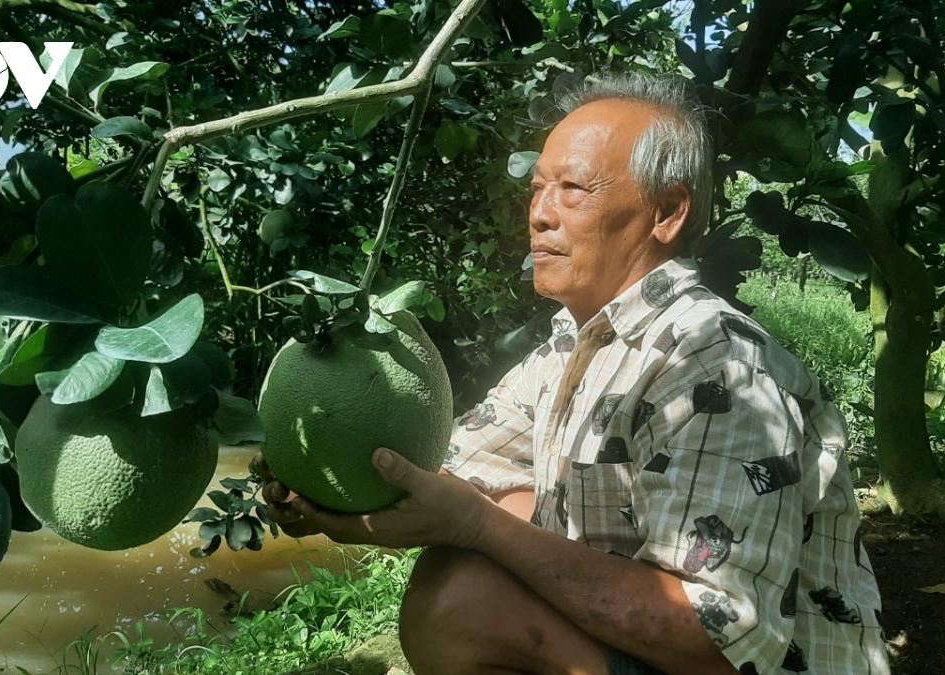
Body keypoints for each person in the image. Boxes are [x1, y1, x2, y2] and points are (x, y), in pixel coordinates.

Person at [253, 71, 889, 675]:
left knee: (459, 598)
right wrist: (325, 489)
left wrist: (475, 526)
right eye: (537, 189)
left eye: (573, 190)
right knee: (511, 501)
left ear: (667, 212)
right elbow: (444, 474)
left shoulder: (716, 364)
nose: (540, 214)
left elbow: (721, 645)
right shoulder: (572, 347)